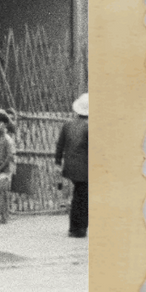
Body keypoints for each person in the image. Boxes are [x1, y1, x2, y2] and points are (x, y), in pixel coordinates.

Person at [56, 93, 89, 238]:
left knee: (78, 195)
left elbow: (60, 146)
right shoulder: (89, 127)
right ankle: (79, 228)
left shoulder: (67, 124)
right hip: (84, 169)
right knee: (82, 198)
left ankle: (73, 227)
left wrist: (58, 162)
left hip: (70, 167)